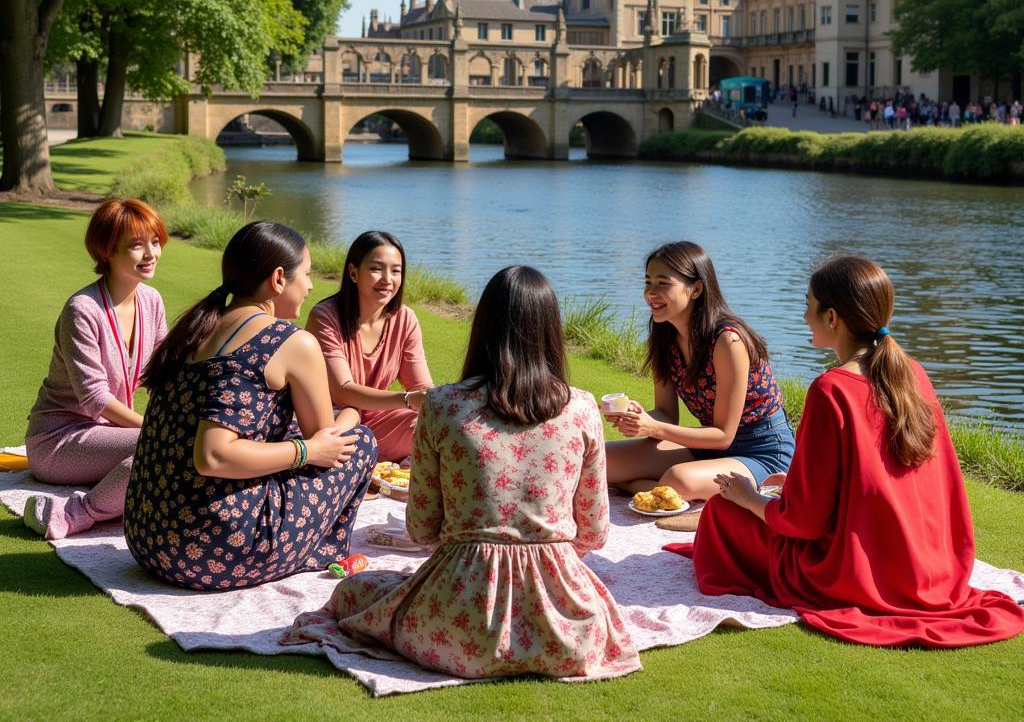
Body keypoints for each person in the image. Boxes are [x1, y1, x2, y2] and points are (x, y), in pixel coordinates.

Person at [282, 266, 641, 680]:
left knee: (356, 591)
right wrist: (540, 557)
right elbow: (594, 533)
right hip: (566, 634)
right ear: (551, 331)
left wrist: (475, 554)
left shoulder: (443, 405)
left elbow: (422, 529)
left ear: (482, 326)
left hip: (457, 625)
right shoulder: (581, 408)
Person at [691, 255, 1024, 648]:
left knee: (721, 512)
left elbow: (804, 524)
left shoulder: (831, 389)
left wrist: (750, 499)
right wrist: (793, 483)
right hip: (927, 564)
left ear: (832, 318)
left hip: (852, 572)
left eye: (807, 305)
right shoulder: (912, 372)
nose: (803, 316)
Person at [124, 221, 377, 590]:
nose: (309, 286)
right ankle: (317, 550)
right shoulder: (292, 342)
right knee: (360, 444)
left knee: (300, 436)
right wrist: (338, 426)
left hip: (149, 538)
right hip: (209, 550)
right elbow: (214, 456)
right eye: (305, 274)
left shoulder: (198, 328)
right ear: (278, 279)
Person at [23, 199, 169, 540]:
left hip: (107, 435)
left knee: (180, 445)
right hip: (58, 440)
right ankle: (73, 514)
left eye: (155, 242)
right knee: (160, 446)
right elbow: (95, 399)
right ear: (107, 251)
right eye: (136, 245)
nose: (150, 253)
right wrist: (157, 428)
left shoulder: (151, 300)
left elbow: (163, 373)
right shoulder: (82, 310)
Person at [605, 242, 794, 502]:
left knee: (677, 480)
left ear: (696, 289)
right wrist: (638, 420)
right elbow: (667, 416)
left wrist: (655, 428)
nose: (651, 292)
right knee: (602, 460)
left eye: (663, 283)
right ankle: (651, 489)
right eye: (648, 282)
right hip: (707, 447)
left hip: (761, 452)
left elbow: (723, 436)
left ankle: (643, 488)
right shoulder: (665, 336)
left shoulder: (728, 340)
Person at [305, 230, 432, 463]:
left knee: (433, 423)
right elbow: (342, 390)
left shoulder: (405, 319)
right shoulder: (325, 316)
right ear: (353, 272)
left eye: (396, 271)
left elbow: (421, 387)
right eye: (376, 269)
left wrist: (430, 401)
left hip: (379, 420)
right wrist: (406, 399)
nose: (387, 279)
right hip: (332, 422)